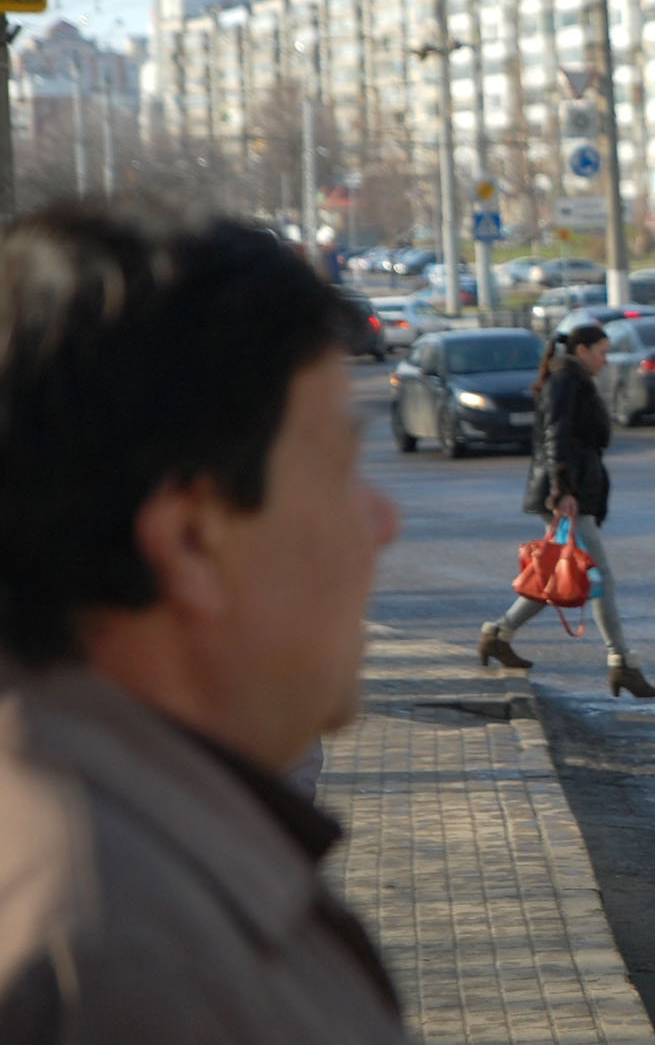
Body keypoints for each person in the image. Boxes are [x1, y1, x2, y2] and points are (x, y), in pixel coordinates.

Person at [0, 203, 407, 1043]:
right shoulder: (125, 965)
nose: (382, 522)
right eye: (338, 470)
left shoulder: (100, 844)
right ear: (190, 542)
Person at [477, 323, 655, 699]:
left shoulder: (572, 378)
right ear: (582, 350)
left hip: (574, 492)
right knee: (598, 577)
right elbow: (555, 436)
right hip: (566, 494)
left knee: (559, 573)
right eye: (601, 352)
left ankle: (499, 634)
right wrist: (562, 491)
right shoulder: (565, 381)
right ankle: (622, 661)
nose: (605, 360)